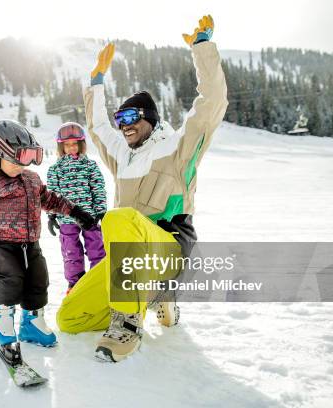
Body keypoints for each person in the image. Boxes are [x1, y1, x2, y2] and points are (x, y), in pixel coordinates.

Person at [56, 15, 228, 362]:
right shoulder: (123, 155)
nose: (124, 126)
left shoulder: (178, 147)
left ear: (150, 117)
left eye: (131, 117)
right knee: (69, 318)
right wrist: (95, 81)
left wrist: (202, 49)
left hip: (169, 246)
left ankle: (128, 324)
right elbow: (97, 126)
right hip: (129, 259)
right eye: (121, 120)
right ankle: (149, 296)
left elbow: (211, 103)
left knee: (118, 218)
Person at [0, 120, 95, 349]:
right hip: (0, 245)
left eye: (27, 159)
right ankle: (1, 323)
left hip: (31, 243)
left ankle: (32, 324)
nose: (21, 166)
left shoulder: (30, 179)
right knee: (10, 280)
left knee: (38, 280)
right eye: (16, 160)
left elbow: (50, 199)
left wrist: (75, 211)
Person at [47, 122, 107, 293]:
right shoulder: (55, 169)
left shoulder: (90, 166)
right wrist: (52, 216)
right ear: (61, 147)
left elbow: (98, 189)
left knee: (96, 247)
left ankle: (99, 279)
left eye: (75, 144)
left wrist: (100, 211)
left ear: (81, 144)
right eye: (67, 145)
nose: (71, 148)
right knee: (71, 251)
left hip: (90, 217)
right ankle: (75, 283)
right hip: (67, 218)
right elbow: (52, 194)